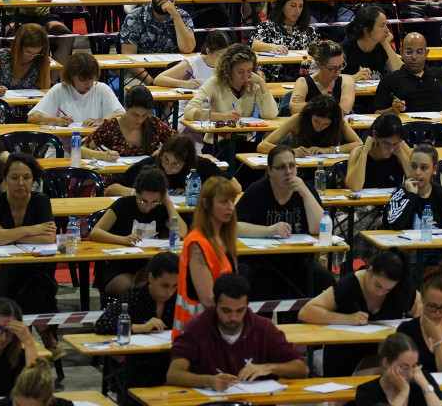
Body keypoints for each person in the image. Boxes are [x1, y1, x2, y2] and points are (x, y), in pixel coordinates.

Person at [0, 155, 60, 354]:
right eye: (14, 178)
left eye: (27, 178)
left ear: (34, 180)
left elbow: (48, 238)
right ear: (4, 180)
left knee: (33, 279)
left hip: (33, 268)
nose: (21, 183)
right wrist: (31, 230)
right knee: (28, 281)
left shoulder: (41, 200)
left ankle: (25, 341)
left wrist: (5, 233)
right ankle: (46, 334)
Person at [168, 273, 307, 389]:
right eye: (226, 310)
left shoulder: (263, 328)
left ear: (247, 306)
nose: (233, 317)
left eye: (240, 310)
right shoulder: (196, 328)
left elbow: (302, 368)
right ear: (215, 304)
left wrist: (269, 368)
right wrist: (208, 381)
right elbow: (174, 374)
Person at [298, 250, 419, 376]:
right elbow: (306, 312)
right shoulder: (350, 285)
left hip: (379, 353)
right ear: (370, 270)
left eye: (387, 289)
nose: (380, 292)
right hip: (342, 354)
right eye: (377, 285)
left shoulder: (400, 289)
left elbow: (419, 303)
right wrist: (347, 319)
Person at [235, 145, 332, 297]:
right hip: (261, 260)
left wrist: (305, 193)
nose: (288, 172)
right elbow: (233, 226)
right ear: (270, 171)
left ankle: (305, 318)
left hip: (298, 259)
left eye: (292, 166)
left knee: (323, 278)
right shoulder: (257, 191)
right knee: (260, 281)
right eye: (281, 167)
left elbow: (319, 228)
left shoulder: (305, 190)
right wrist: (268, 231)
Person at [384, 144, 442, 290]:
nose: (417, 172)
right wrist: (411, 196)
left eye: (424, 167)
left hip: (438, 258)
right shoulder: (400, 193)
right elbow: (395, 223)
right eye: (413, 166)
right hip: (408, 259)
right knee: (419, 289)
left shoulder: (441, 193)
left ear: (434, 170)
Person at [89, 167, 185, 297]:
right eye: (144, 201)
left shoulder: (161, 208)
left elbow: (182, 232)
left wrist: (168, 203)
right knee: (134, 287)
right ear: (136, 193)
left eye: (154, 202)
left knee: (154, 284)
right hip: (119, 266)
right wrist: (122, 239)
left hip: (148, 265)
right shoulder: (123, 205)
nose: (148, 206)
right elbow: (95, 232)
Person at [92, 252, 178, 385]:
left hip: (168, 362)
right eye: (165, 285)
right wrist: (140, 327)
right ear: (151, 277)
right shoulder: (136, 296)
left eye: (175, 286)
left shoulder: (177, 299)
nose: (169, 292)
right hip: (135, 365)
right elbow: (102, 324)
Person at [174, 177, 239, 337]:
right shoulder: (196, 244)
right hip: (196, 336)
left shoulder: (225, 239)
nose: (230, 207)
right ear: (205, 204)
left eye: (232, 201)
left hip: (220, 329)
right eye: (223, 202)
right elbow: (209, 300)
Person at [181, 44, 278, 145]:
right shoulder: (215, 83)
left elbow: (270, 114)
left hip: (245, 143)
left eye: (249, 71)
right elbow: (189, 111)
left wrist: (262, 83)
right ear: (228, 70)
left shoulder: (253, 84)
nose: (245, 76)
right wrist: (222, 117)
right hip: (216, 144)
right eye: (240, 72)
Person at [119, 0, 197, 87]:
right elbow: (129, 57)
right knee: (139, 94)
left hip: (173, 74)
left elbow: (187, 48)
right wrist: (151, 81)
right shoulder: (134, 17)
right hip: (140, 75)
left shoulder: (183, 16)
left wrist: (175, 15)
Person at [28, 52, 123, 128]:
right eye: (83, 80)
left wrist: (100, 120)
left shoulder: (102, 89)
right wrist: (56, 120)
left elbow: (122, 115)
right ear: (72, 76)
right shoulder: (59, 89)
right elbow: (32, 117)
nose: (89, 84)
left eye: (92, 78)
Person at [375, 33, 442, 114]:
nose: (414, 57)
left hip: (441, 128)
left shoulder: (439, 74)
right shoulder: (390, 79)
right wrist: (392, 110)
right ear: (401, 52)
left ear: (426, 53)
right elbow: (376, 113)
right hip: (406, 129)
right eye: (409, 52)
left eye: (419, 52)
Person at [355, 333, 442, 406]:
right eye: (404, 368)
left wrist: (425, 385)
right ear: (386, 363)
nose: (411, 374)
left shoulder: (423, 379)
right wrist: (403, 392)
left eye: (415, 365)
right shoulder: (366, 392)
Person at [345, 114, 414, 192]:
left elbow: (416, 181)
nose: (391, 150)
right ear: (374, 135)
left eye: (395, 144)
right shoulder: (358, 152)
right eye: (386, 144)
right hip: (365, 202)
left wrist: (401, 155)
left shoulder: (401, 148)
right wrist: (365, 151)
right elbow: (355, 187)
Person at [157, 31, 231, 89]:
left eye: (226, 54)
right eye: (220, 54)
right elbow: (159, 79)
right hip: (192, 105)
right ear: (208, 51)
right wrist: (186, 84)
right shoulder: (193, 63)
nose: (224, 59)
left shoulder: (229, 64)